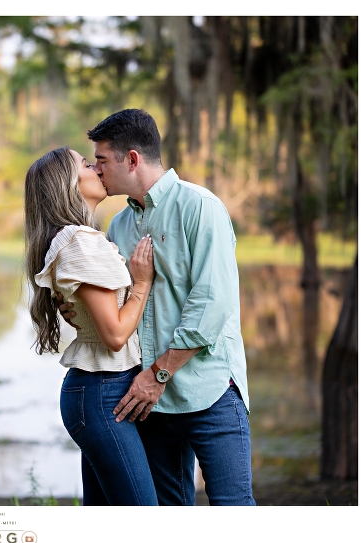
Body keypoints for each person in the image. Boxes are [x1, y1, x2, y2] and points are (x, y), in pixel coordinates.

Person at [60, 109, 255, 506]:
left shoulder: (200, 206)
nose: (96, 170)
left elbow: (211, 305)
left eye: (101, 160)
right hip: (152, 401)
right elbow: (118, 307)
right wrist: (77, 308)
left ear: (132, 159)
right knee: (169, 514)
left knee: (234, 509)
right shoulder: (118, 226)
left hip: (211, 389)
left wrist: (159, 372)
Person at [24, 146, 158, 505]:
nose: (97, 168)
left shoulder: (81, 239)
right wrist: (141, 283)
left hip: (100, 391)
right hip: (103, 394)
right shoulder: (79, 242)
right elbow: (114, 335)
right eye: (86, 164)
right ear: (69, 184)